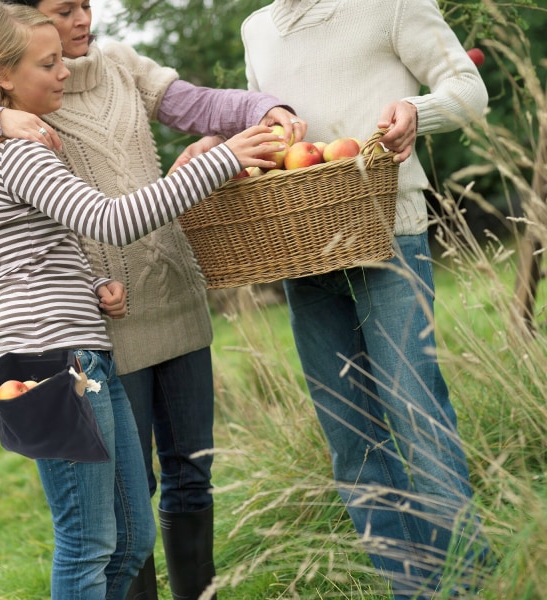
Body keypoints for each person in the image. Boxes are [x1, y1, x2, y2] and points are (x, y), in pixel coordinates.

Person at [0, 1, 306, 598]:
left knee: (130, 536)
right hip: (55, 363)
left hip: (82, 347)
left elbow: (29, 251)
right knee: (91, 544)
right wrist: (218, 162)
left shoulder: (49, 129)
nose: (65, 67)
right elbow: (109, 221)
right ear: (6, 74)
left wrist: (89, 287)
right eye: (49, 60)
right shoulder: (14, 145)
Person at [175, 1, 492, 598]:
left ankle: (467, 585)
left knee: (418, 419)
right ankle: (410, 586)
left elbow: (468, 90)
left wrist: (416, 111)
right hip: (301, 249)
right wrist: (225, 146)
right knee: (349, 438)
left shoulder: (392, 6)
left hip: (386, 233)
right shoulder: (257, 28)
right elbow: (270, 128)